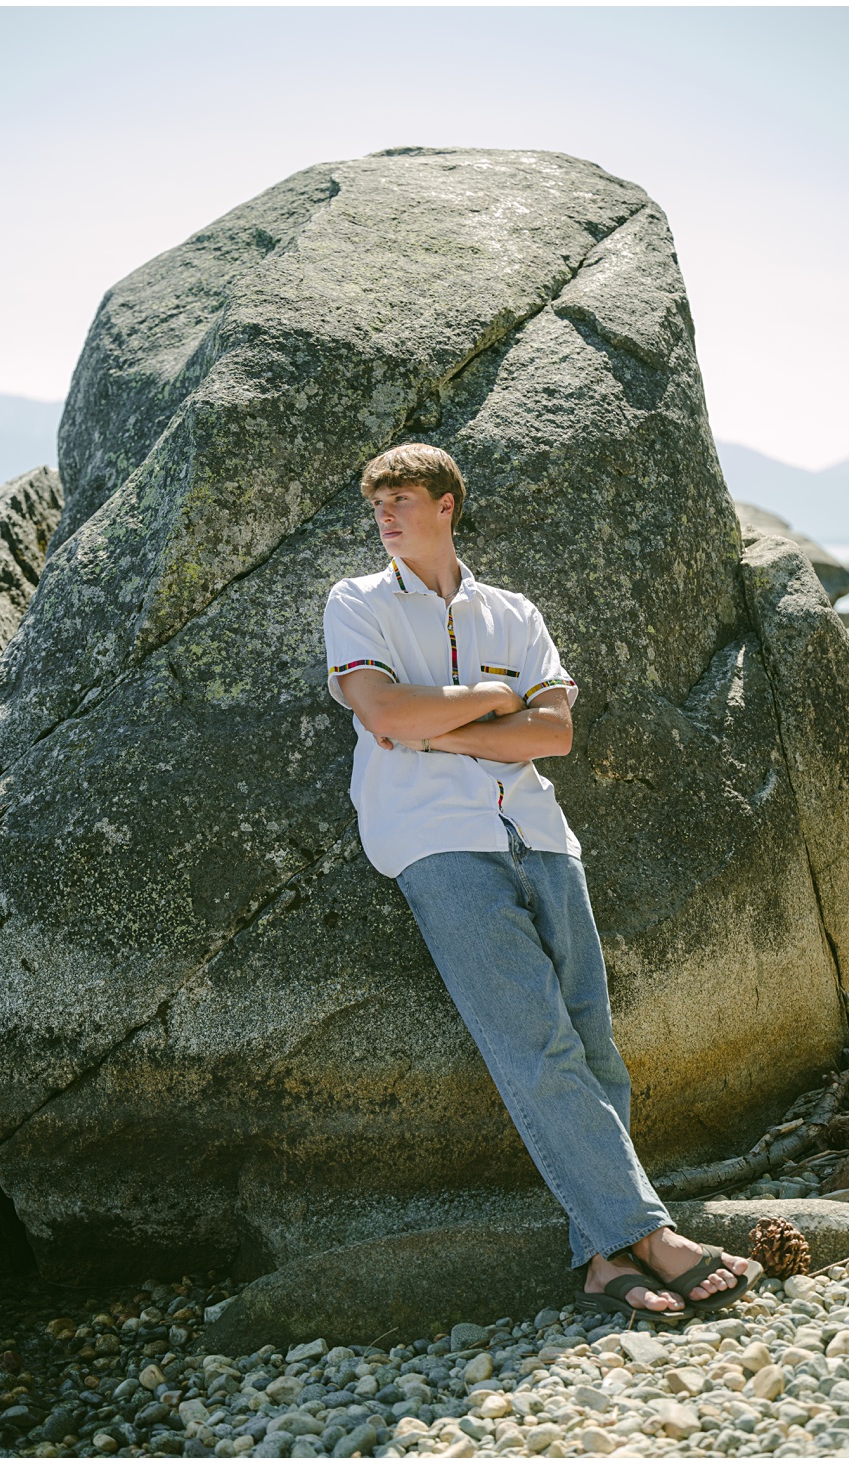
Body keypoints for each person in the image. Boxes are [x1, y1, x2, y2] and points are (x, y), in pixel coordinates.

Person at [323, 443, 763, 1319]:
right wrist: (493, 704)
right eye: (379, 503)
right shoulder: (356, 603)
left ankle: (602, 1259)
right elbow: (382, 712)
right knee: (537, 1045)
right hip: (435, 841)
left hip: (543, 836)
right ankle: (655, 1235)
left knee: (595, 1050)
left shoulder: (514, 613)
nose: (386, 515)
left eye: (403, 498)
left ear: (447, 505)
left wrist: (440, 719)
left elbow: (552, 735)